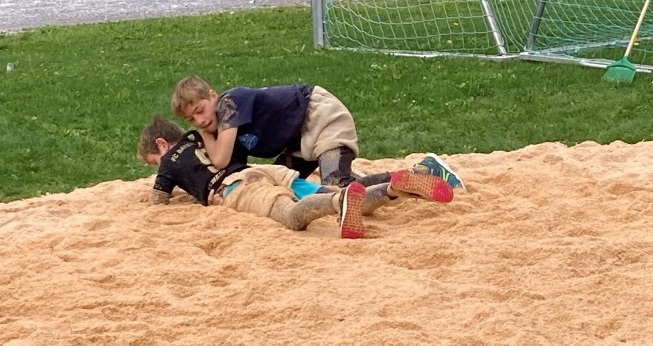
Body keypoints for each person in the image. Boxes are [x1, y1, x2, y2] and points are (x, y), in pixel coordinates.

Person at [137, 117, 454, 239]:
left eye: (153, 161)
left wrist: (162, 189)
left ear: (162, 145)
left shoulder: (169, 163)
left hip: (235, 188)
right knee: (320, 192)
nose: (157, 168)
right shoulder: (202, 136)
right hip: (261, 171)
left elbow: (158, 201)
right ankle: (392, 188)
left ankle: (339, 202)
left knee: (291, 216)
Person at [172, 76, 364, 188]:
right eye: (191, 119)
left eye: (200, 110)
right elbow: (230, 170)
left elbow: (220, 160)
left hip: (320, 116)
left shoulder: (229, 102)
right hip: (297, 141)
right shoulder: (227, 133)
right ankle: (358, 181)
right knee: (277, 186)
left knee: (335, 185)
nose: (200, 121)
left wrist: (204, 134)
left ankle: (381, 185)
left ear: (213, 96)